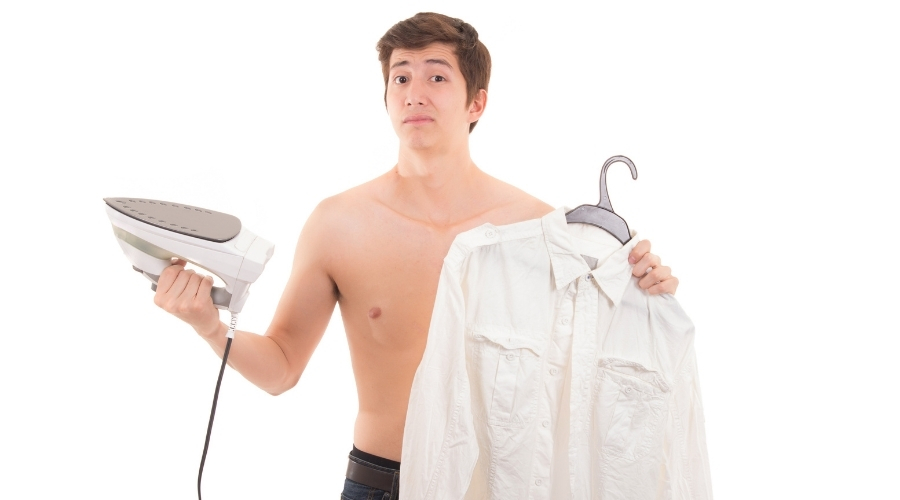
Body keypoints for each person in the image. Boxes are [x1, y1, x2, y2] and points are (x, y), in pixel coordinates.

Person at [153, 12, 680, 499]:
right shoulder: (339, 224)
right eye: (400, 78)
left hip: (497, 486)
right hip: (381, 481)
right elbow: (282, 368)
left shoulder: (539, 230)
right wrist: (207, 324)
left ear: (477, 103)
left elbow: (599, 366)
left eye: (437, 76)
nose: (414, 93)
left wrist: (644, 291)